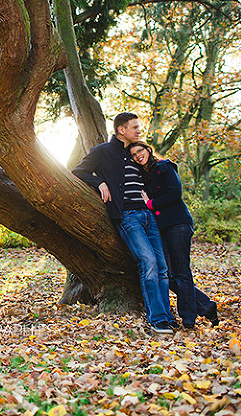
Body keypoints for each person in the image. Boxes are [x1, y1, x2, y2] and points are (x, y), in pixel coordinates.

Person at [72, 112, 176, 334]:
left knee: (162, 266)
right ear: (121, 129)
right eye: (135, 127)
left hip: (150, 217)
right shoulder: (103, 151)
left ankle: (167, 316)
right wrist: (99, 182)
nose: (139, 130)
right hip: (128, 217)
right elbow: (78, 172)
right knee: (147, 262)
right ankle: (157, 319)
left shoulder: (135, 154)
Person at [128, 140, 219, 329]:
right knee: (167, 275)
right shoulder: (143, 176)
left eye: (140, 151)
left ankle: (188, 320)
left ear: (147, 149)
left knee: (182, 272)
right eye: (134, 155)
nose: (138, 156)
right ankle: (206, 306)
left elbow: (175, 193)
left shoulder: (164, 167)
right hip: (161, 228)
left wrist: (150, 204)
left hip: (178, 224)